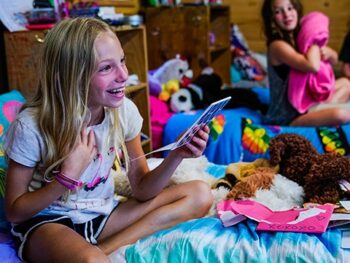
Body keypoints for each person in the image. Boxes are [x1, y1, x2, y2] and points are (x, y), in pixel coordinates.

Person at [3, 17, 213, 262]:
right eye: (106, 68)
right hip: (48, 222)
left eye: (122, 61)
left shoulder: (124, 111)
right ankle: (93, 255)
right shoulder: (30, 126)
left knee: (201, 194)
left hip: (103, 215)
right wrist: (65, 178)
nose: (124, 74)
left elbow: (143, 189)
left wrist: (177, 154)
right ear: (72, 75)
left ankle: (103, 249)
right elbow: (15, 212)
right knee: (91, 261)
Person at [261, 0, 350, 126]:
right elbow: (312, 66)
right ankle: (327, 112)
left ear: (297, 9)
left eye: (290, 8)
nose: (287, 15)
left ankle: (324, 110)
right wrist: (314, 39)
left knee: (346, 84)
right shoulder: (277, 46)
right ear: (272, 18)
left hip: (307, 102)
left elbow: (334, 60)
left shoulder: (300, 37)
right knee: (341, 114)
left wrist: (329, 53)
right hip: (290, 116)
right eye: (278, 11)